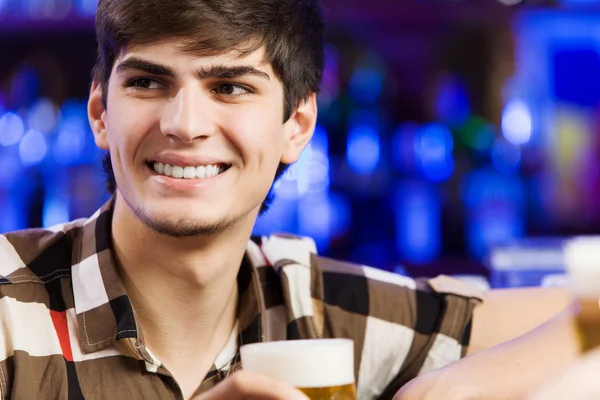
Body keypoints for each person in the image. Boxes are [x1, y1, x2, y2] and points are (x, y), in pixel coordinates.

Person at [0, 0, 582, 399]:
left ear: (297, 124)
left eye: (229, 87)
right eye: (148, 82)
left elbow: (584, 317)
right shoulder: (9, 306)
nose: (184, 124)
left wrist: (448, 389)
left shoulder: (308, 303)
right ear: (101, 112)